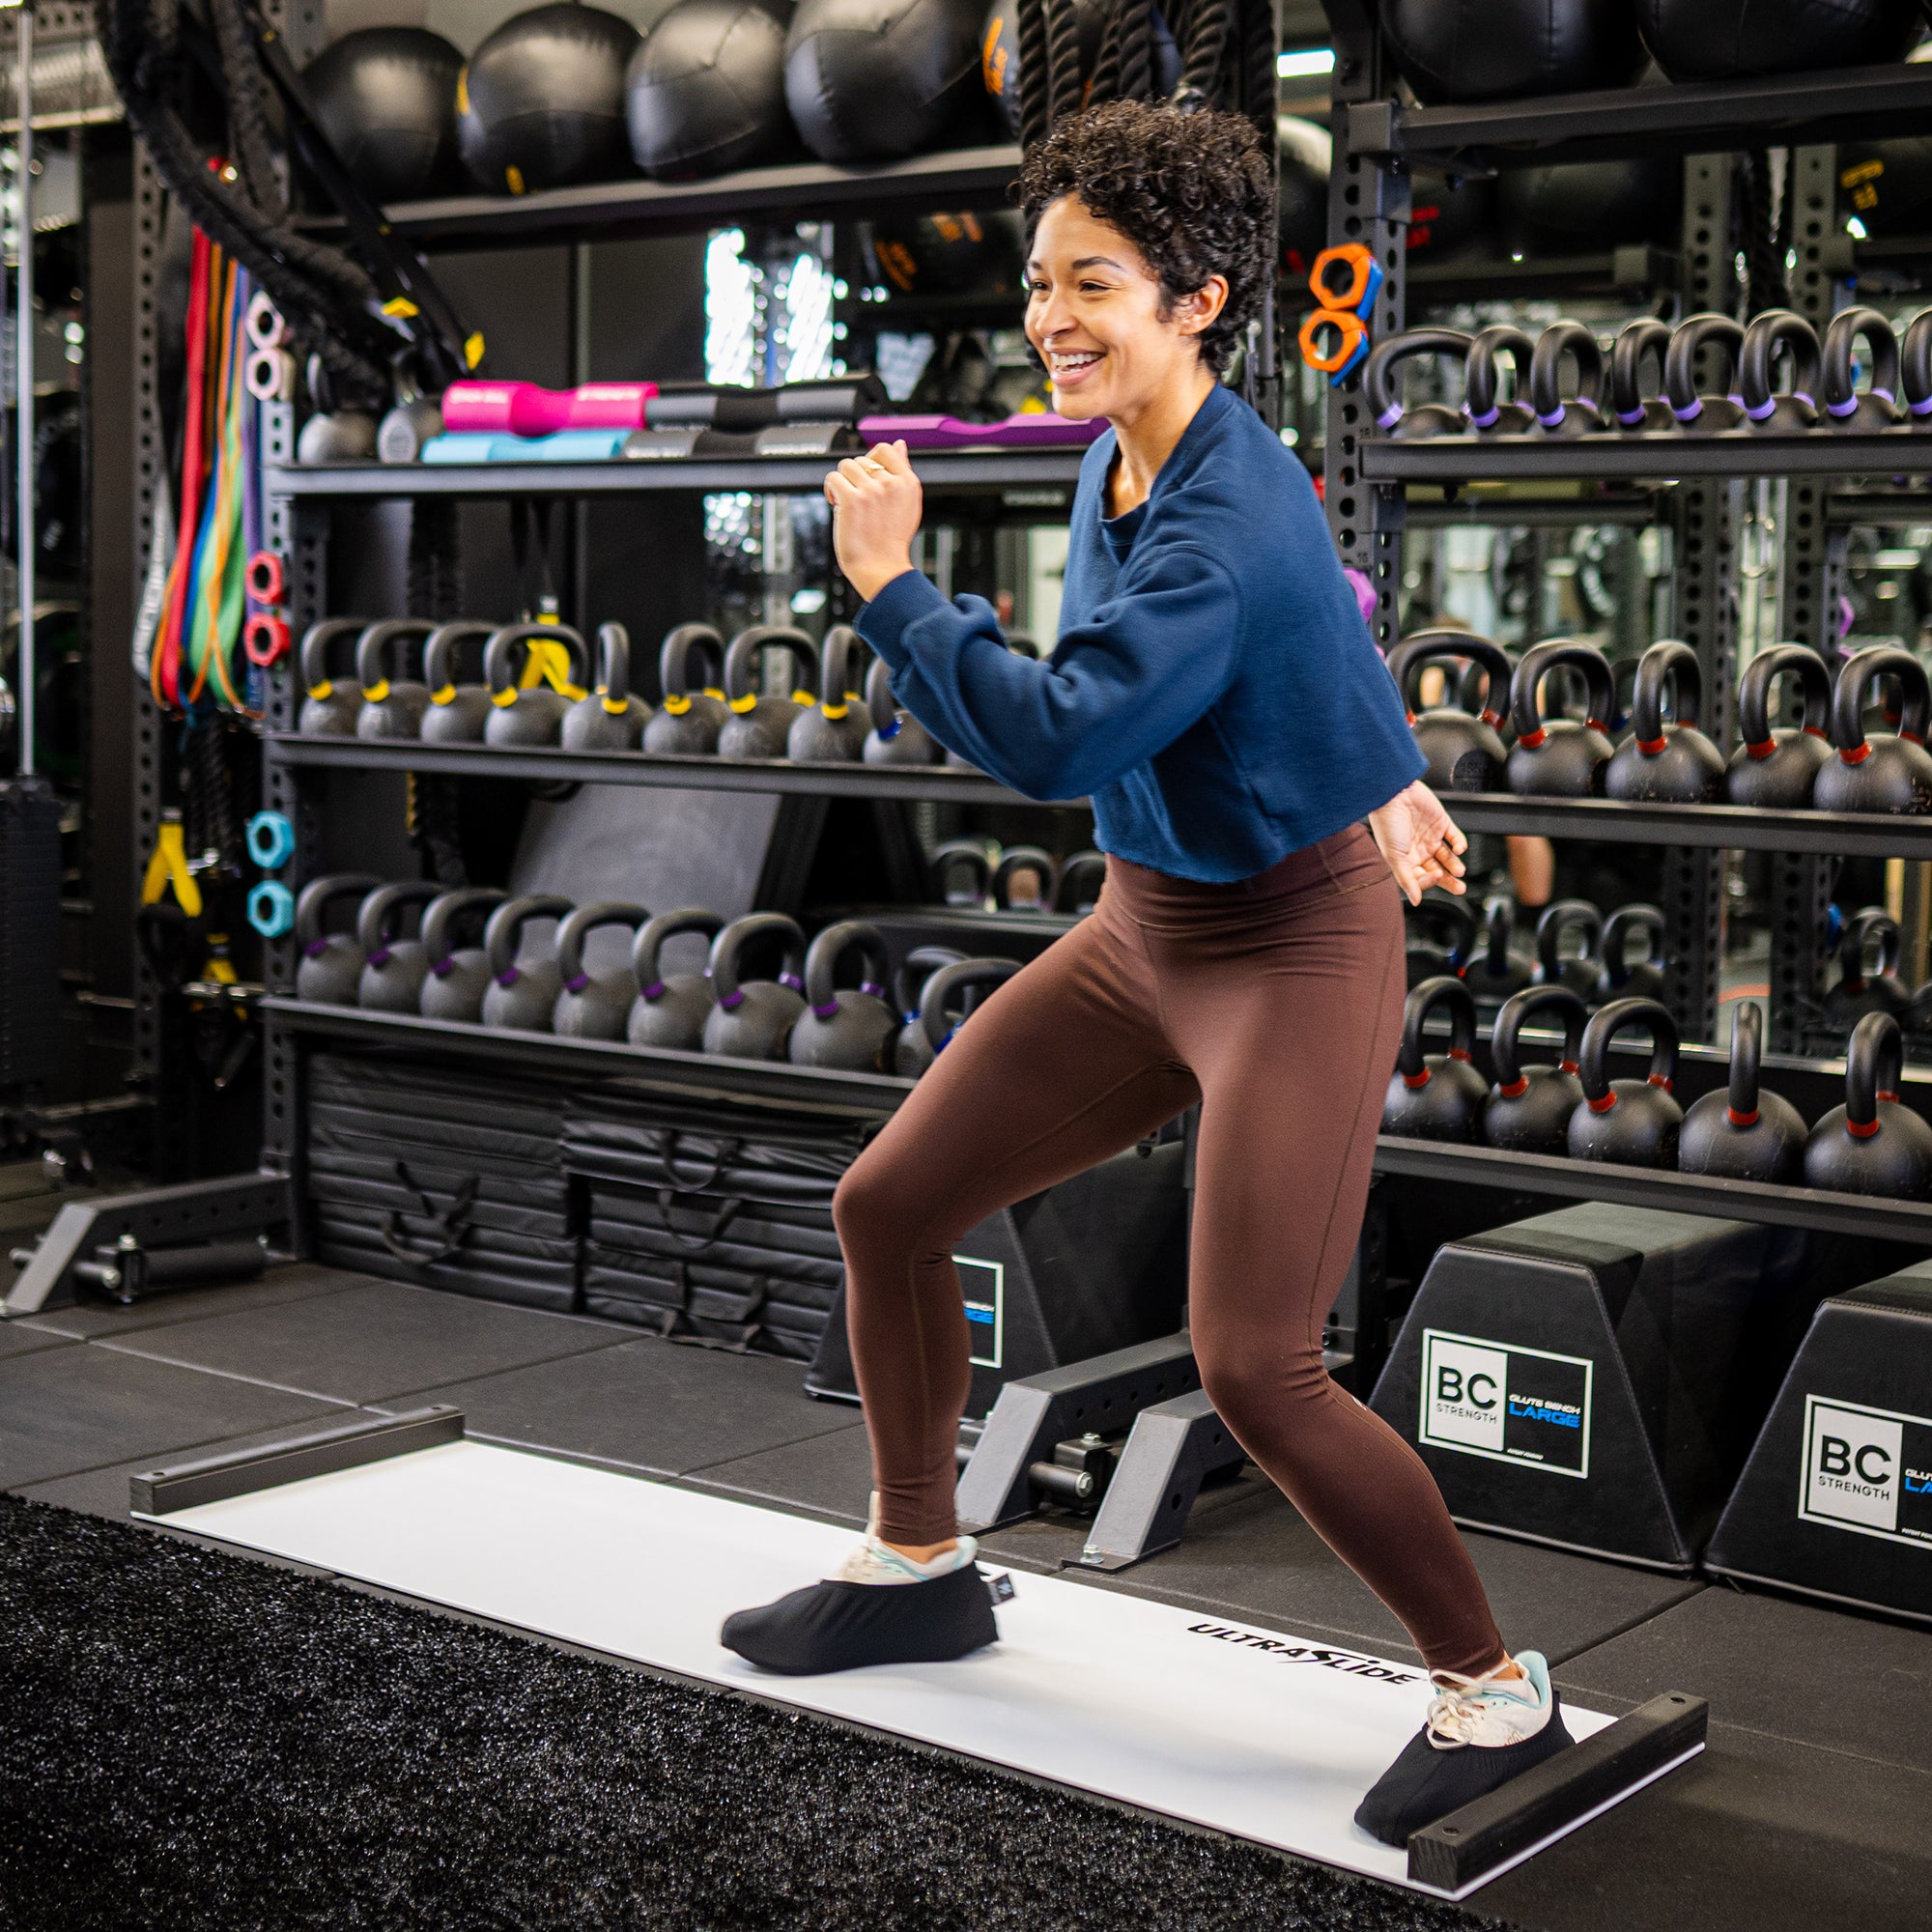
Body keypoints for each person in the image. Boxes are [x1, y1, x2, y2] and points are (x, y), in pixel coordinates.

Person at [723, 99, 1574, 1844]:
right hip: (1143, 931)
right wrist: (1383, 760)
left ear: (1196, 297)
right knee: (889, 1206)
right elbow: (1316, 611)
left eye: (1091, 283)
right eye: (1042, 281)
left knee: (1256, 1365)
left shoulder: (1215, 517)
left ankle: (1499, 1693)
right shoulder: (1129, 447)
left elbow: (1064, 728)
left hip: (1291, 953)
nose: (1051, 316)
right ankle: (919, 1559)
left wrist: (891, 589)